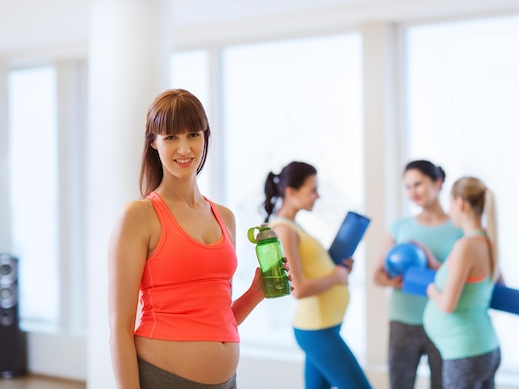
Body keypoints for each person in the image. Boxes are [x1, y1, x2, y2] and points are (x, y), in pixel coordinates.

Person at [108, 89, 271, 389]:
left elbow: (217, 319)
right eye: (171, 137)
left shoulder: (225, 217)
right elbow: (119, 329)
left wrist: (255, 294)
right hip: (163, 378)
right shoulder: (139, 216)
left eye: (193, 134)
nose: (184, 148)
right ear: (154, 143)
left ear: (205, 137)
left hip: (227, 381)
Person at [262, 161, 372, 389]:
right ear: (291, 192)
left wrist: (338, 270)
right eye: (312, 190)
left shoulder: (293, 226)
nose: (317, 196)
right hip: (316, 328)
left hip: (324, 325)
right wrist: (337, 277)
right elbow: (298, 290)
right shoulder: (283, 230)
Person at [373, 160, 463, 389]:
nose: (413, 192)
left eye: (418, 184)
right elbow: (378, 276)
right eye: (408, 187)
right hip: (403, 322)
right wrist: (393, 280)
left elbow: (464, 278)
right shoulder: (400, 227)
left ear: (437, 182)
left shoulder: (459, 229)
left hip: (443, 323)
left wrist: (433, 265)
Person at [423, 176, 502, 389]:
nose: (449, 211)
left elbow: (447, 305)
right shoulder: (487, 241)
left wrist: (431, 289)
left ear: (460, 203)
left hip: (465, 354)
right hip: (485, 347)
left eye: (450, 204)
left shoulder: (465, 246)